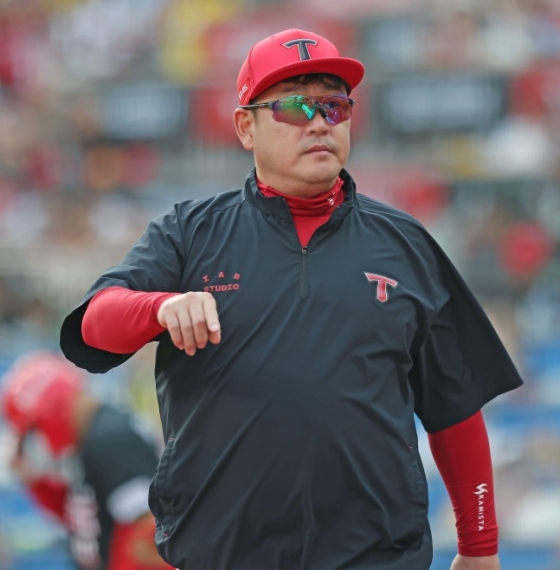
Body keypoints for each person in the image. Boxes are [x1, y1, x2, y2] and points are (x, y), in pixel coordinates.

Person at [59, 28, 523, 570]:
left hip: (375, 558)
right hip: (223, 556)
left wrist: (479, 548)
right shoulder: (189, 232)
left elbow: (455, 406)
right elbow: (94, 325)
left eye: (334, 106)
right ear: (245, 127)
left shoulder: (406, 244)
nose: (320, 121)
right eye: (295, 106)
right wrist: (158, 307)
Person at [0, 351, 173, 570]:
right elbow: (82, 516)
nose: (37, 442)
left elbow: (146, 534)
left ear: (49, 410)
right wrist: (36, 482)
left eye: (34, 431)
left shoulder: (110, 439)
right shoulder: (88, 439)